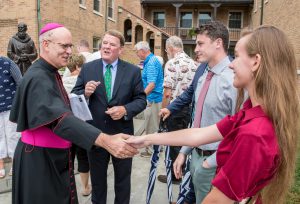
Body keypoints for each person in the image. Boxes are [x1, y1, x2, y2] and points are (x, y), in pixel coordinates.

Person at [127, 25, 299, 204]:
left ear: (256, 62)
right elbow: (198, 134)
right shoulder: (250, 111)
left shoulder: (255, 133)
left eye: (238, 56)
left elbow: (217, 200)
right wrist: (147, 139)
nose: (232, 63)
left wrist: (209, 163)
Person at [9, 23, 138, 204]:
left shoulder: (49, 72)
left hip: (51, 157)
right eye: (64, 46)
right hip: (40, 161)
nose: (69, 51)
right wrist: (105, 140)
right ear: (46, 44)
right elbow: (60, 119)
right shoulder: (38, 77)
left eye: (70, 46)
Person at [162, 21, 237, 203]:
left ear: (218, 43)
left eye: (200, 44)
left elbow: (238, 132)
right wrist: (184, 152)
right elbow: (197, 120)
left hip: (215, 162)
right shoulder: (203, 73)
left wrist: (209, 163)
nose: (195, 49)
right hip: (194, 155)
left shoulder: (234, 80)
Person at [72, 30, 146, 204]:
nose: (106, 46)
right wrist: (86, 92)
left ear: (120, 50)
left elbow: (141, 100)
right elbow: (75, 96)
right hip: (95, 135)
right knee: (98, 182)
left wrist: (125, 109)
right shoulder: (88, 68)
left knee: (122, 181)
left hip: (123, 135)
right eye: (104, 43)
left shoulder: (133, 71)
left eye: (112, 44)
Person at [157, 36, 197, 185]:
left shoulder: (172, 63)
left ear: (171, 48)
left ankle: (176, 176)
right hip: (189, 109)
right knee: (185, 142)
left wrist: (163, 110)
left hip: (174, 109)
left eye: (167, 50)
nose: (167, 52)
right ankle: (184, 173)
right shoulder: (193, 63)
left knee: (174, 142)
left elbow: (167, 92)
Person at [62, 53, 92, 196]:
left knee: (67, 159)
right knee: (82, 157)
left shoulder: (61, 82)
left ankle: (66, 187)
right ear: (79, 66)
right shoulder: (84, 83)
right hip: (81, 125)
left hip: (65, 125)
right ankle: (85, 187)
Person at [134, 41, 163, 157]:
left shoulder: (150, 63)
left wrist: (141, 96)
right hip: (155, 98)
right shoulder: (152, 60)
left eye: (137, 52)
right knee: (154, 125)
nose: (137, 54)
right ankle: (157, 147)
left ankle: (151, 151)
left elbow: (151, 84)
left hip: (153, 99)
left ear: (142, 51)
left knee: (151, 126)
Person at [0, 56, 22, 179]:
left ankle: (15, 163)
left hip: (11, 107)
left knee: (13, 135)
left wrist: (17, 103)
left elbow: (20, 83)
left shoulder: (8, 63)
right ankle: (0, 165)